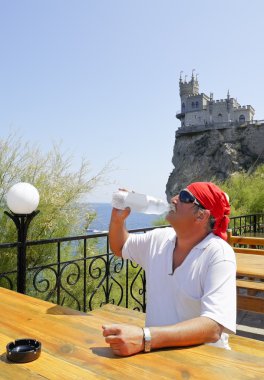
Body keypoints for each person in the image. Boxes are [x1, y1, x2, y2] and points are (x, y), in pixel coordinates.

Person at [103, 182, 236, 356]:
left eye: (184, 197)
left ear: (201, 216)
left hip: (203, 359)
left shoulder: (218, 254)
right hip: (156, 354)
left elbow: (213, 327)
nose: (174, 199)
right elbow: (120, 247)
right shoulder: (159, 239)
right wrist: (117, 220)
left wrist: (145, 338)